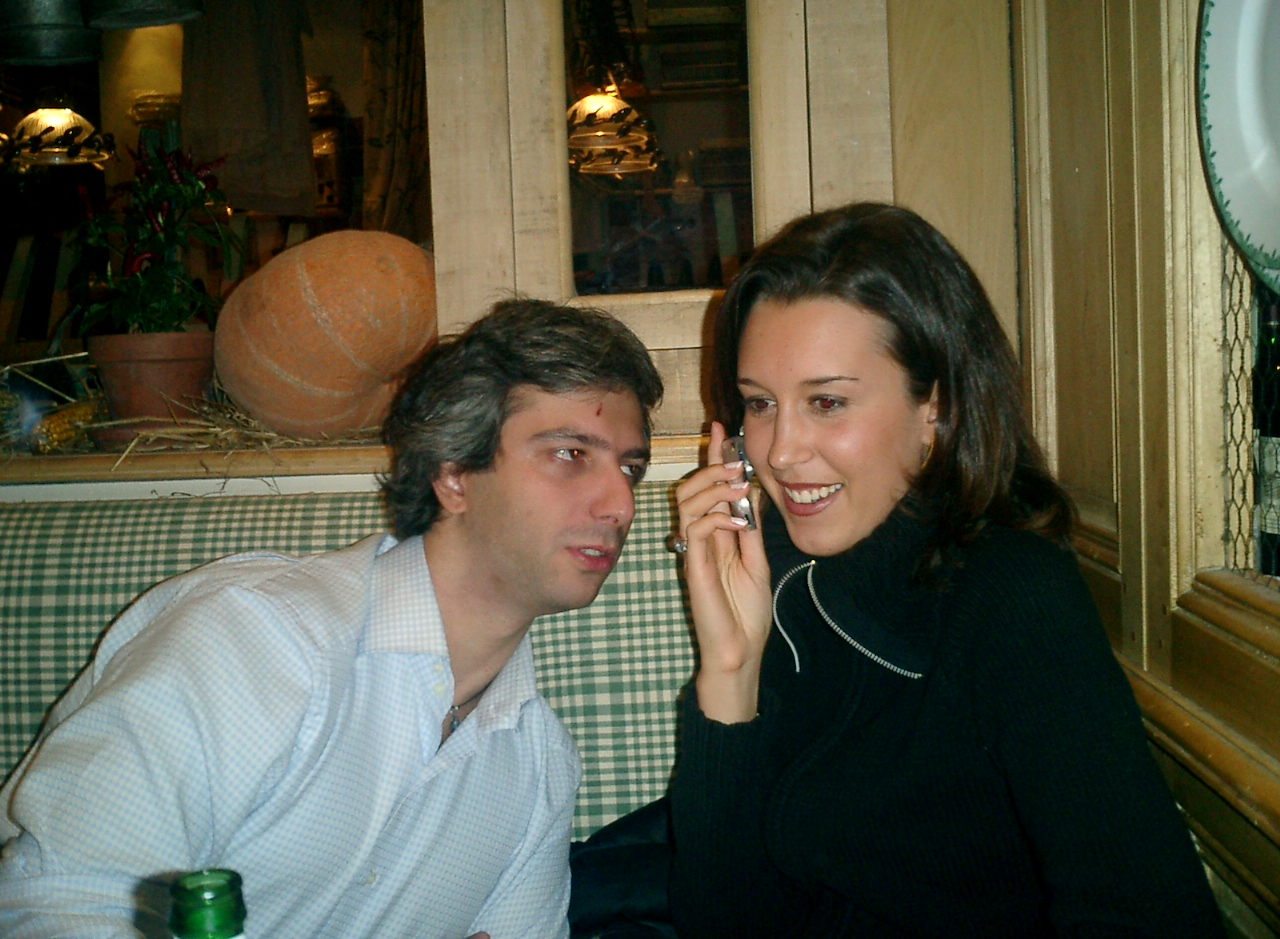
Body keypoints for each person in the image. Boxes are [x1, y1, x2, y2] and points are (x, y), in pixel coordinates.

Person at [0, 298, 663, 939]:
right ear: (454, 473)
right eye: (571, 454)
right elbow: (54, 902)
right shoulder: (254, 637)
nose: (620, 505)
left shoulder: (540, 765)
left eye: (630, 469)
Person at [666, 203, 1225, 937]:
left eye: (827, 402)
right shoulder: (781, 582)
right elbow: (724, 921)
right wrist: (730, 669)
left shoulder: (1012, 595)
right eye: (760, 404)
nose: (780, 451)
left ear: (935, 403)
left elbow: (1147, 913)